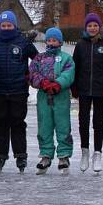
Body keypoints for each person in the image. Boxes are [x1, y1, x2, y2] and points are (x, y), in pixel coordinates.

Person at [0, 10, 38, 173]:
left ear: (14, 25)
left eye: (9, 25)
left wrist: (30, 75)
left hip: (18, 90)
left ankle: (20, 155)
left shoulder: (23, 42)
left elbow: (37, 60)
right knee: (1, 122)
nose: (6, 28)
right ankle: (0, 155)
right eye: (3, 25)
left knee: (17, 122)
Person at [71, 13, 103, 173]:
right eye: (90, 25)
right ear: (86, 28)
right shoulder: (80, 45)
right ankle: (85, 151)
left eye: (95, 25)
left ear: (99, 27)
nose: (92, 28)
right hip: (84, 90)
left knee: (98, 123)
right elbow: (74, 67)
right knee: (83, 121)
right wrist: (74, 86)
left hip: (100, 90)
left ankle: (97, 153)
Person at [29, 27, 75, 174]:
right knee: (44, 126)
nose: (51, 42)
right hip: (44, 97)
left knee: (63, 125)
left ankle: (64, 155)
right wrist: (42, 83)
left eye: (54, 40)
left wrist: (58, 83)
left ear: (60, 42)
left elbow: (69, 72)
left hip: (60, 96)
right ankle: (46, 155)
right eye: (49, 40)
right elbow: (32, 73)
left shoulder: (66, 58)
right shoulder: (39, 58)